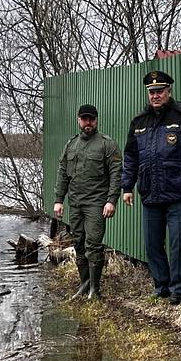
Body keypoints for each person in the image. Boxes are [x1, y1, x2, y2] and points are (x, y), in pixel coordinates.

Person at [120, 70, 181, 305]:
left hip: (178, 192)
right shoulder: (139, 121)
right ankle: (161, 286)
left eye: (160, 91)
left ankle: (178, 290)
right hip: (150, 194)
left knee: (179, 244)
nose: (156, 95)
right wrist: (127, 186)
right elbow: (130, 156)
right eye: (152, 92)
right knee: (152, 244)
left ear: (169, 91)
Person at [53, 103, 121, 300]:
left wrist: (111, 201)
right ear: (78, 120)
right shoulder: (71, 144)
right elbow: (62, 173)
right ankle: (84, 285)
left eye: (91, 119)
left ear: (96, 120)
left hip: (96, 203)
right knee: (79, 243)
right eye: (84, 119)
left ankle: (95, 290)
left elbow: (116, 173)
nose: (88, 123)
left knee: (93, 243)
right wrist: (59, 199)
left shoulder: (106, 144)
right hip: (75, 203)